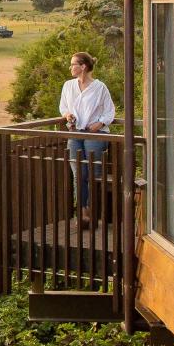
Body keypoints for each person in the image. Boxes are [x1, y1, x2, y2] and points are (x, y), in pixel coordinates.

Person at [58, 51, 116, 225]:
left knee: (93, 174)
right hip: (75, 133)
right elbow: (63, 107)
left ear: (83, 66)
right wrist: (68, 115)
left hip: (95, 134)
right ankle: (82, 211)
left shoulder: (100, 87)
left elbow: (110, 111)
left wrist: (100, 123)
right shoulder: (68, 86)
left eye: (73, 64)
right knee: (79, 174)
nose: (70, 67)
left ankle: (92, 211)